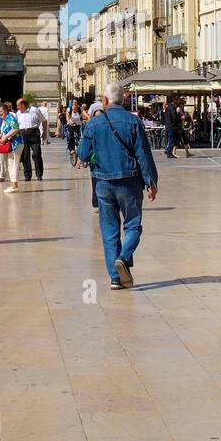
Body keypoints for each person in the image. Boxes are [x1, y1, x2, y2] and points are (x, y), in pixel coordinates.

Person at [76, 82, 158, 290]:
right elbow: (143, 155)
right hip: (130, 181)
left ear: (104, 101)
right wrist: (151, 181)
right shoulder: (133, 121)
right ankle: (123, 257)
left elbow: (83, 154)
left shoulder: (93, 124)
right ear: (124, 100)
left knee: (109, 230)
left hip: (103, 182)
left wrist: (96, 155)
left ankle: (115, 278)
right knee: (132, 225)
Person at [15, 96, 47, 182]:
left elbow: (44, 121)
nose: (17, 108)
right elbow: (17, 124)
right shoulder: (18, 113)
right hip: (23, 133)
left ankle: (39, 175)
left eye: (18, 106)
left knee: (36, 154)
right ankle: (27, 175)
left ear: (23, 105)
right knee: (25, 155)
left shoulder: (34, 110)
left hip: (33, 133)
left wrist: (44, 132)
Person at [0, 101, 23, 193]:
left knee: (14, 163)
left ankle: (14, 186)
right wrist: (2, 135)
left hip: (16, 144)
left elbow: (15, 129)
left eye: (1, 111)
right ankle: (13, 184)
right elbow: (7, 130)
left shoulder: (10, 118)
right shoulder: (6, 119)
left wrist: (5, 137)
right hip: (12, 143)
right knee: (11, 163)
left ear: (6, 110)